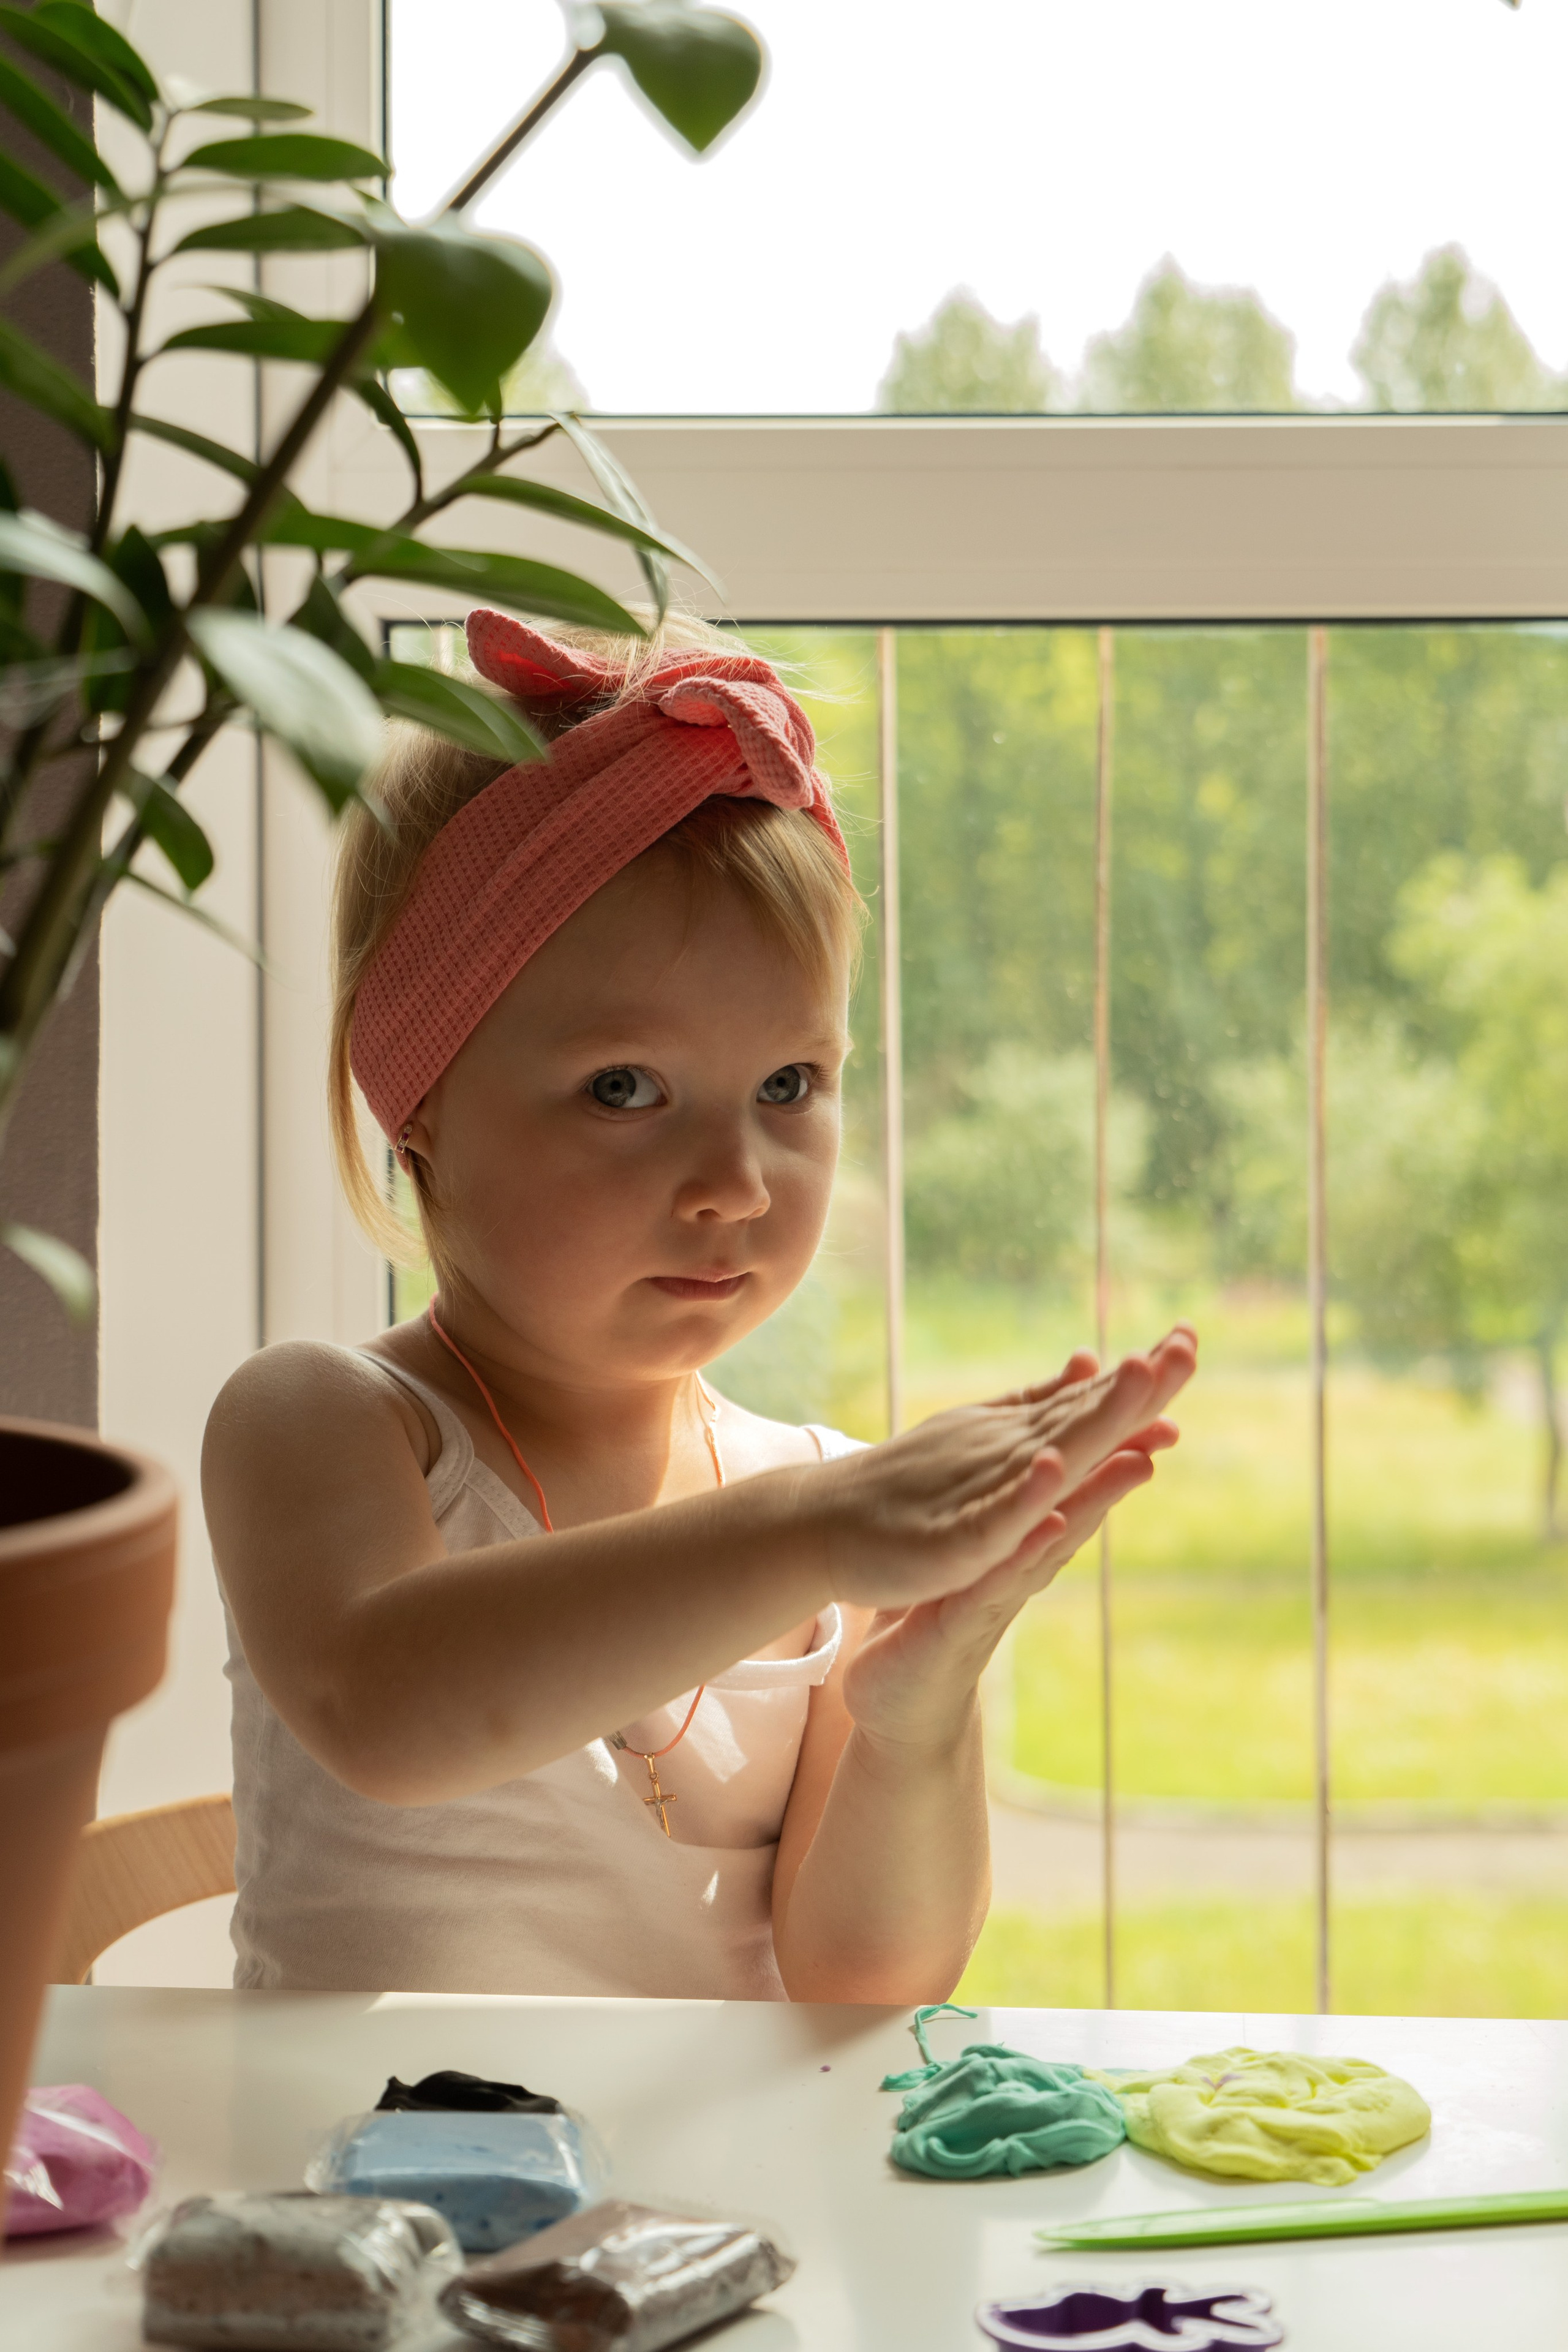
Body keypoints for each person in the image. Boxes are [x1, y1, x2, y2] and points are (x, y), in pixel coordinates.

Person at [203, 608, 1196, 2000]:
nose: (732, 1182)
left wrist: (913, 1710)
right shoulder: (328, 1421)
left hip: (706, 2221)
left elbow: (861, 1980)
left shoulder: (813, 1503)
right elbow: (386, 1709)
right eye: (625, 1090)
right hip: (370, 2201)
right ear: (419, 1102)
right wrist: (812, 1540)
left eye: (787, 1087)